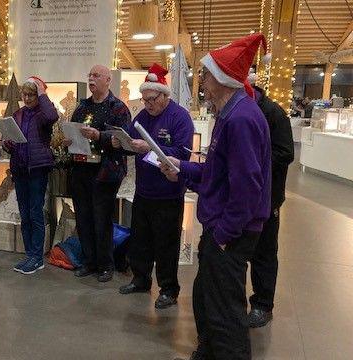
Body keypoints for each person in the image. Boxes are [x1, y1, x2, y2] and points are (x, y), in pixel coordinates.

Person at [160, 34, 272, 360]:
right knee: (207, 299)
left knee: (225, 313)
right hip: (223, 227)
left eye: (206, 76)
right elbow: (218, 172)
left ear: (222, 79)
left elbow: (247, 187)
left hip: (230, 232)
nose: (202, 83)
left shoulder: (241, 119)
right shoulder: (231, 114)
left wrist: (224, 234)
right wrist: (182, 168)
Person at [114, 64, 194, 309]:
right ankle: (141, 279)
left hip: (168, 192)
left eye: (151, 99)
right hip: (144, 190)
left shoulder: (180, 117)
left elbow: (183, 153)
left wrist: (149, 148)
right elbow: (130, 135)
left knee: (166, 243)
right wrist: (121, 141)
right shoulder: (142, 116)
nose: (147, 104)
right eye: (144, 99)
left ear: (164, 95)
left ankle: (168, 289)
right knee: (141, 239)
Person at [66, 64, 132, 283]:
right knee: (83, 217)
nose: (91, 79)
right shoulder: (82, 107)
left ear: (108, 80)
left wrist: (99, 136)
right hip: (81, 169)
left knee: (102, 219)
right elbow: (75, 129)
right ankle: (89, 261)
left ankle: (105, 265)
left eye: (96, 75)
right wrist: (69, 139)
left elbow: (124, 142)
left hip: (106, 172)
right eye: (90, 75)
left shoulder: (118, 108)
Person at [247, 74, 295, 328]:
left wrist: (253, 162)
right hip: (244, 196)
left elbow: (286, 153)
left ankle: (263, 304)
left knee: (264, 252)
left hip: (267, 197)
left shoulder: (274, 113)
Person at [2, 76, 59, 274]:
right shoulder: (18, 114)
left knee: (35, 212)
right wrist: (7, 143)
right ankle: (29, 255)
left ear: (38, 95)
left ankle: (37, 257)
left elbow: (53, 116)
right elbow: (10, 139)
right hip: (20, 168)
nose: (26, 99)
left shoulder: (43, 114)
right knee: (24, 214)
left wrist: (42, 93)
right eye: (24, 95)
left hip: (37, 168)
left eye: (31, 95)